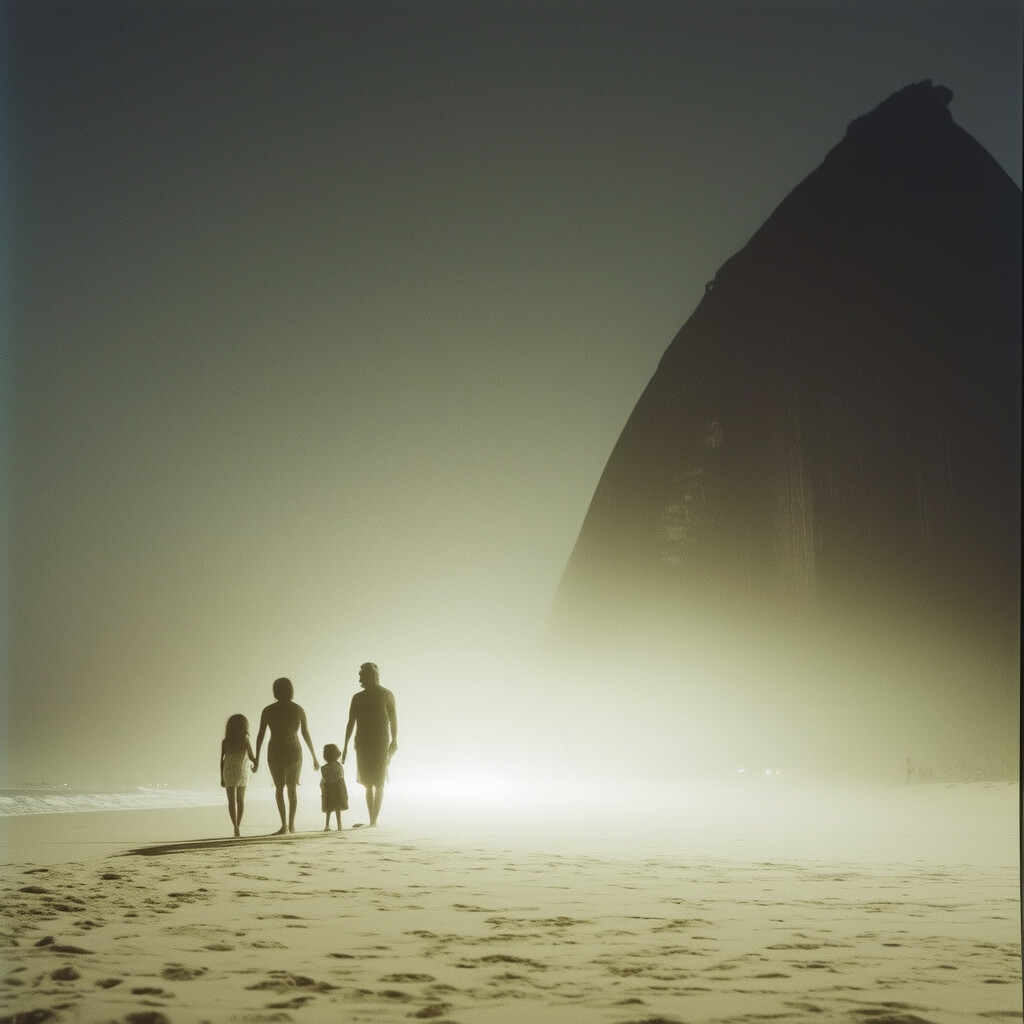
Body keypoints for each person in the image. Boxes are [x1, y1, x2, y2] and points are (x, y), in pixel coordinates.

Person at [254, 677, 319, 834]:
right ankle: (288, 824)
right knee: (286, 788)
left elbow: (305, 733)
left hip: (289, 752)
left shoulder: (277, 710)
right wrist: (256, 758)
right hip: (284, 751)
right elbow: (261, 734)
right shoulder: (291, 709)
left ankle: (287, 825)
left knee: (283, 788)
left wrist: (314, 757)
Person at [342, 662, 398, 827]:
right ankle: (371, 819)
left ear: (372, 676)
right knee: (367, 783)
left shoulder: (386, 695)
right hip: (363, 743)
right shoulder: (358, 697)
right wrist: (345, 746)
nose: (360, 679)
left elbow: (394, 719)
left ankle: (374, 820)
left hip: (381, 742)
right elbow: (351, 722)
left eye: (363, 675)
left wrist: (395, 739)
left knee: (379, 782)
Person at [220, 714, 257, 838]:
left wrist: (221, 778)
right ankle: (238, 826)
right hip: (242, 770)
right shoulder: (245, 740)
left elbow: (222, 760)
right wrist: (256, 764)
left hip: (229, 770)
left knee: (231, 802)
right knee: (240, 801)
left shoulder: (225, 742)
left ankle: (235, 825)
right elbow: (252, 756)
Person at [320, 744, 348, 831]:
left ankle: (327, 825)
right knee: (337, 808)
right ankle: (339, 825)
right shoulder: (339, 766)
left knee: (329, 808)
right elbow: (341, 778)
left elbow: (324, 779)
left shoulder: (324, 768)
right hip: (338, 789)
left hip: (328, 789)